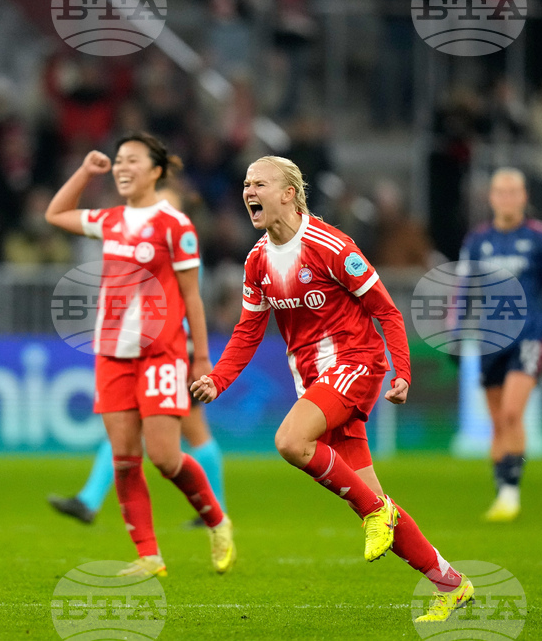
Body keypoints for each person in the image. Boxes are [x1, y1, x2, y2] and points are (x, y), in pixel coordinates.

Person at [191, 156, 473, 622]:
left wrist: (401, 371)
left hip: (355, 365)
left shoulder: (331, 245)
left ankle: (374, 513)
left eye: (259, 183)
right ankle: (452, 584)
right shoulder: (257, 261)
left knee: (289, 441)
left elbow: (386, 311)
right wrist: (218, 380)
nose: (248, 190)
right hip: (318, 379)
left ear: (288, 193)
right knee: (372, 496)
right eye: (245, 183)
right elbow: (247, 331)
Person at [45, 132, 234, 577]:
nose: (122, 167)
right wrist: (84, 171)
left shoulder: (175, 226)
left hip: (161, 354)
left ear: (156, 170)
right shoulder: (110, 219)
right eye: (117, 160)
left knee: (165, 458)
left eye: (132, 160)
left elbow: (193, 297)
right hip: (111, 354)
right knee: (125, 459)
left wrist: (202, 359)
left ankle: (217, 520)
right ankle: (150, 556)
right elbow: (55, 213)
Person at [458, 168, 542, 522]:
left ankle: (511, 493)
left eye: (514, 191)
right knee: (498, 421)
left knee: (513, 412)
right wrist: (455, 333)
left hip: (530, 336)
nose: (508, 197)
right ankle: (503, 494)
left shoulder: (540, 238)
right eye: (501, 191)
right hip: (489, 340)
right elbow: (463, 291)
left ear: (524, 197)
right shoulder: (477, 241)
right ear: (492, 197)